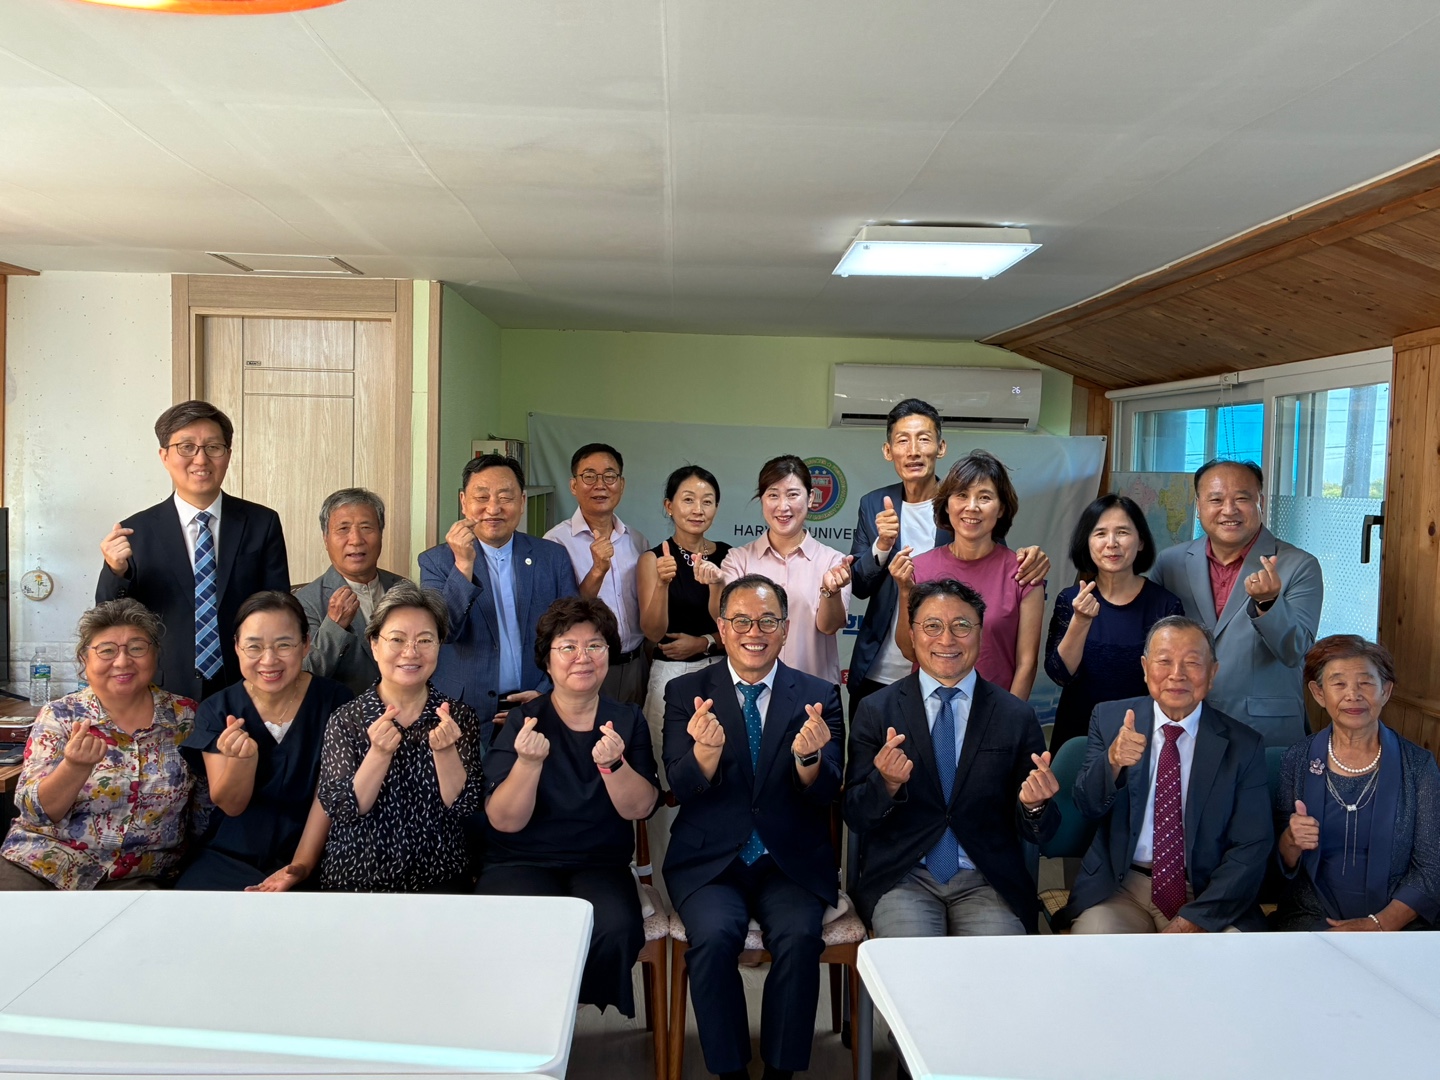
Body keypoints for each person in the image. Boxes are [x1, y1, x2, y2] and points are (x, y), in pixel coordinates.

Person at [663, 574, 845, 1080]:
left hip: (791, 860)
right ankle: (731, 1072)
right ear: (722, 628)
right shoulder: (685, 692)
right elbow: (679, 787)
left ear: (785, 629)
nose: (754, 632)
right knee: (713, 938)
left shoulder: (819, 695)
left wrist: (808, 759)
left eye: (767, 621)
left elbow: (827, 791)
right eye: (741, 621)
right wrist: (704, 754)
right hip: (710, 861)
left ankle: (782, 1071)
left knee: (799, 937)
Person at [846, 579, 1060, 937]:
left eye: (961, 626)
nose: (946, 640)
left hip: (987, 880)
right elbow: (855, 814)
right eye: (932, 626)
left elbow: (1044, 831)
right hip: (903, 878)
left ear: (980, 633)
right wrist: (885, 784)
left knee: (998, 965)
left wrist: (1035, 806)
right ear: (912, 635)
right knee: (912, 966)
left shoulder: (1015, 716)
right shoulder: (877, 710)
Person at [477, 597, 660, 1016]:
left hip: (600, 862)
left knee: (614, 926)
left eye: (595, 645)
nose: (583, 657)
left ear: (609, 654)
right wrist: (527, 764)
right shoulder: (525, 720)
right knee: (520, 924)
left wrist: (614, 766)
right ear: (547, 660)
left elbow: (642, 807)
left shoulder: (627, 719)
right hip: (520, 859)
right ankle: (528, 1019)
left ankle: (561, 1015)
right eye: (568, 647)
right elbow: (503, 820)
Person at [1060, 616, 1272, 933]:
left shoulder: (1243, 745)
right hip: (1123, 888)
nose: (1177, 674)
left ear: (1212, 673)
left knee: (1233, 957)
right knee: (1098, 946)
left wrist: (1197, 919)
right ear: (1146, 669)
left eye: (1192, 663)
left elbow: (1252, 845)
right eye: (1164, 661)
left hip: (1206, 891)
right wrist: (1113, 761)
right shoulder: (1110, 719)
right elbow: (1086, 805)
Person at [849, 400, 1049, 718]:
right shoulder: (874, 503)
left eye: (924, 439)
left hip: (968, 681)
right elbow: (859, 586)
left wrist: (1032, 558)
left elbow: (995, 565)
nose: (914, 451)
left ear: (940, 447)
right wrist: (882, 546)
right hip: (886, 668)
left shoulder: (965, 510)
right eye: (903, 440)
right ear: (888, 450)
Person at [97, 400, 290, 701]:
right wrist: (115, 571)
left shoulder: (261, 523)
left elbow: (279, 606)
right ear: (164, 456)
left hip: (245, 684)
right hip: (162, 689)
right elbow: (109, 619)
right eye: (186, 447)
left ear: (228, 454)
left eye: (213, 447)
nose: (201, 459)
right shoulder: (136, 532)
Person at [0, 600, 197, 890]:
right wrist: (73, 767)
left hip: (138, 877)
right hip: (43, 863)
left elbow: (204, 813)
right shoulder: (60, 715)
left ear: (155, 654)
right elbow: (35, 812)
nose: (122, 661)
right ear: (84, 659)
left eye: (137, 648)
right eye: (106, 650)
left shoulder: (185, 717)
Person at [175, 591, 352, 891]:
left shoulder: (336, 701)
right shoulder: (217, 709)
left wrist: (301, 867)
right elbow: (231, 806)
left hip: (316, 854)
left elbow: (330, 796)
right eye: (254, 646)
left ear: (306, 644)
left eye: (284, 645)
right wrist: (242, 763)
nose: (269, 660)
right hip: (230, 855)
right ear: (236, 647)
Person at [315, 582, 485, 892]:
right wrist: (378, 753)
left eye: (425, 640)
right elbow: (342, 808)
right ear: (374, 644)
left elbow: (465, 806)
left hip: (440, 877)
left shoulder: (457, 717)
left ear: (439, 645)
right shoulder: (347, 719)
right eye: (397, 639)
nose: (411, 652)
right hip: (359, 879)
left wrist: (445, 752)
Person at [1151, 458, 1323, 747]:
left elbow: (1295, 652)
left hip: (1264, 730)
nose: (1229, 510)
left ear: (1261, 502)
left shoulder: (1299, 565)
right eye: (1216, 499)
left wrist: (1268, 604)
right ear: (1198, 506)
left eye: (1241, 498)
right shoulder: (1170, 562)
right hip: (1185, 721)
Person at [1273, 635, 1440, 932]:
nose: (1353, 695)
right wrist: (1291, 840)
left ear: (1385, 691)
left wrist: (1379, 925)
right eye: (1338, 683)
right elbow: (1279, 863)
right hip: (1309, 918)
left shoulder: (1419, 766)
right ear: (1319, 693)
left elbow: (1431, 866)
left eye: (1365, 683)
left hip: (1397, 925)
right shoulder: (1296, 759)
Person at [420, 454, 578, 741]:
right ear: (463, 502)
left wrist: (547, 691)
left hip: (538, 704)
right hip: (463, 710)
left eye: (505, 497)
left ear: (522, 501)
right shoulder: (436, 562)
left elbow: (572, 633)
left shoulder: (552, 557)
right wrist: (463, 565)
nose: (493, 508)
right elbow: (444, 633)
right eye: (481, 497)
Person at [636, 465, 729, 894]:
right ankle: (665, 888)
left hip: (719, 674)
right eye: (688, 500)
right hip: (669, 678)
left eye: (707, 501)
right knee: (669, 778)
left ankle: (712, 884)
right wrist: (661, 583)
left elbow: (731, 627)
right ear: (669, 506)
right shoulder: (653, 558)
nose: (698, 509)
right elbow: (652, 631)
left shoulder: (729, 556)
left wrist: (704, 641)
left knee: (719, 776)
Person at [893, 451, 1045, 699]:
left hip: (995, 708)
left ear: (1001, 508)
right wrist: (904, 590)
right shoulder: (919, 567)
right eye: (962, 495)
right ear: (947, 504)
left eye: (984, 497)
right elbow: (910, 652)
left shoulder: (1024, 573)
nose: (972, 507)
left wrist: (1009, 717)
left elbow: (1027, 664)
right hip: (929, 707)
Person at [1044, 494, 1184, 753]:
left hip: (1141, 735)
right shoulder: (1070, 599)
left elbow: (1171, 681)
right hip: (1077, 736)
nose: (1111, 543)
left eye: (1122, 532)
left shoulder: (1165, 605)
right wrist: (1080, 620)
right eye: (1100, 533)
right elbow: (1059, 675)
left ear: (1140, 541)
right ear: (1087, 542)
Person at [698, 455, 853, 687]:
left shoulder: (833, 561)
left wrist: (830, 591)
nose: (783, 506)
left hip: (813, 691)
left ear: (811, 498)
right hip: (750, 691)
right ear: (761, 499)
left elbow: (829, 627)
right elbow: (723, 618)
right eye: (773, 495)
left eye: (792, 494)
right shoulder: (738, 559)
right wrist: (717, 584)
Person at [544, 444, 649, 705]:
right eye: (589, 476)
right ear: (573, 485)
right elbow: (559, 616)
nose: (600, 485)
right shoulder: (555, 542)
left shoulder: (637, 540)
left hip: (636, 664)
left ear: (621, 484)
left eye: (610, 476)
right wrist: (598, 570)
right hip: (584, 667)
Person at [296, 488, 408, 696]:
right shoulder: (304, 602)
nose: (356, 540)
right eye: (343, 529)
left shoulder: (404, 588)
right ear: (326, 539)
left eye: (366, 527)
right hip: (343, 713)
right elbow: (302, 676)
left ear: (381, 534)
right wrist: (334, 626)